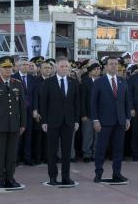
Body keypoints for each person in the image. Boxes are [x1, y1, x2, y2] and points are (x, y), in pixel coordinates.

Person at [0, 56, 26, 188]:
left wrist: (23, 124)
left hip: (14, 125)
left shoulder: (17, 83)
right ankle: (0, 179)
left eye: (9, 67)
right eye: (5, 68)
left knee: (12, 155)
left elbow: (22, 106)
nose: (7, 70)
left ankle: (10, 178)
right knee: (0, 154)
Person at [40, 57, 80, 186]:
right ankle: (52, 177)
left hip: (68, 122)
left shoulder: (73, 82)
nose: (65, 69)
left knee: (67, 151)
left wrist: (76, 120)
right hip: (52, 121)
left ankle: (66, 177)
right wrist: (44, 121)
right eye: (62, 66)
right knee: (52, 150)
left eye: (67, 67)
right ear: (56, 67)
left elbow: (76, 104)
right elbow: (43, 103)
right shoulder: (48, 82)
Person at [91, 57, 131, 184]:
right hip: (104, 121)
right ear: (106, 67)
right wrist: (95, 120)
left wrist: (128, 118)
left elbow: (127, 102)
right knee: (101, 148)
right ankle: (98, 173)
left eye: (116, 64)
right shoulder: (99, 82)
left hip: (120, 120)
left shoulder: (123, 81)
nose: (114, 66)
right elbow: (93, 103)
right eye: (111, 64)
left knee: (118, 149)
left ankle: (117, 173)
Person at [12, 58, 36, 165]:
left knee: (28, 135)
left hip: (29, 111)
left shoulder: (32, 78)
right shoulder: (13, 78)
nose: (26, 66)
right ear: (19, 66)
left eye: (28, 64)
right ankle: (15, 158)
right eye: (24, 64)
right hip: (17, 112)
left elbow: (35, 95)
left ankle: (27, 157)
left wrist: (35, 109)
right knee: (17, 135)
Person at [80, 61, 101, 163]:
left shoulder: (103, 81)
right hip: (88, 114)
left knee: (98, 135)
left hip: (100, 114)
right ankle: (87, 154)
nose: (97, 71)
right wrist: (83, 114)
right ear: (91, 71)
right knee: (88, 135)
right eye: (95, 69)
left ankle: (96, 153)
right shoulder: (85, 82)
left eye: (98, 69)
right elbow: (82, 100)